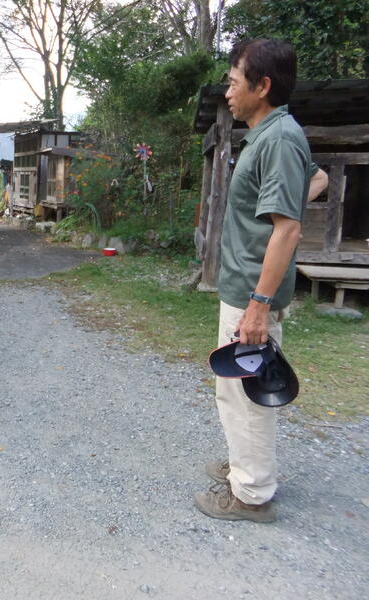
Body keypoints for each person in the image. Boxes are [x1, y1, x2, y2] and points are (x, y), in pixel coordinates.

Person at [194, 39, 329, 522]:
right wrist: (286, 200)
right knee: (232, 389)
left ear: (263, 86)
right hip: (245, 287)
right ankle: (242, 466)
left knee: (245, 394)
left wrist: (258, 305)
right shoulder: (268, 136)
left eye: (234, 82)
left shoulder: (279, 139)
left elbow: (287, 230)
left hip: (254, 292)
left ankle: (251, 494)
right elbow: (318, 179)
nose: (228, 92)